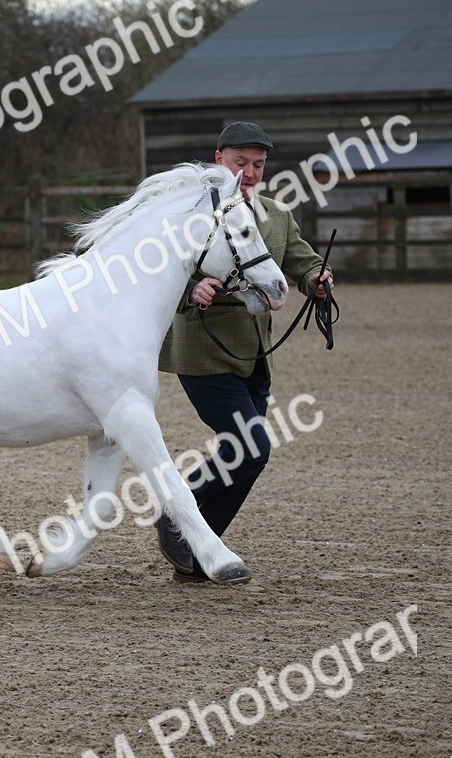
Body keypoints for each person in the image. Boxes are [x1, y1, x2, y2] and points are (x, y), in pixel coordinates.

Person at [157, 122, 332, 584]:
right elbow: (158, 274)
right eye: (241, 162)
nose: (250, 172)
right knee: (252, 447)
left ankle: (197, 553)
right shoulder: (193, 217)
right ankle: (177, 514)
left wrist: (316, 279)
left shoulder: (276, 214)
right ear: (219, 160)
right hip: (203, 350)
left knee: (248, 455)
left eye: (258, 164)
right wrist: (193, 288)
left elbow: (301, 261)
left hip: (257, 354)